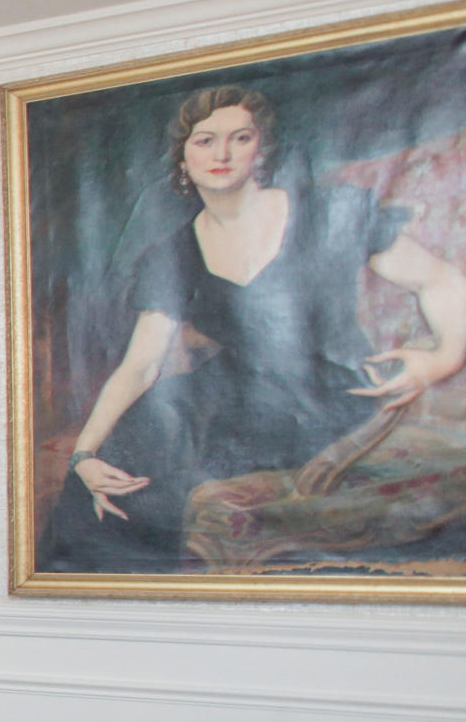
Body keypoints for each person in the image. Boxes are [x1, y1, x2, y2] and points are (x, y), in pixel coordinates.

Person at [46, 85, 466, 572]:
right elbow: (140, 367)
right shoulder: (170, 253)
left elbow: (442, 280)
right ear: (183, 157)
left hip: (323, 393)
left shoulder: (330, 212)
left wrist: (443, 358)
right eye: (205, 141)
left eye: (239, 138)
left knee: (180, 483)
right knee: (103, 473)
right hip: (223, 390)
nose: (221, 154)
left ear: (259, 149)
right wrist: (84, 453)